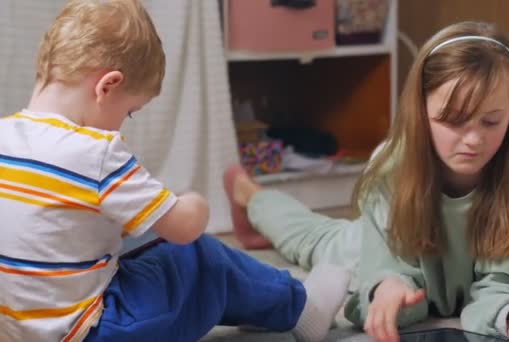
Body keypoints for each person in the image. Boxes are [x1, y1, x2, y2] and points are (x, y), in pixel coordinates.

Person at [0, 1, 351, 341]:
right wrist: (192, 202)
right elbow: (184, 229)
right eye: (131, 111)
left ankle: (258, 305)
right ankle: (302, 308)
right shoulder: (96, 151)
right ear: (107, 86)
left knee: (140, 243)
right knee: (196, 257)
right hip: (99, 331)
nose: (124, 123)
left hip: (21, 328)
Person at [224, 21, 509, 342]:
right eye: (453, 120)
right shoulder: (392, 168)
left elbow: (504, 282)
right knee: (315, 240)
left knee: (319, 238)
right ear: (419, 110)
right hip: (377, 245)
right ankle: (248, 192)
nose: (473, 140)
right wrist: (388, 286)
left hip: (421, 257)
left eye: (491, 121)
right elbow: (385, 270)